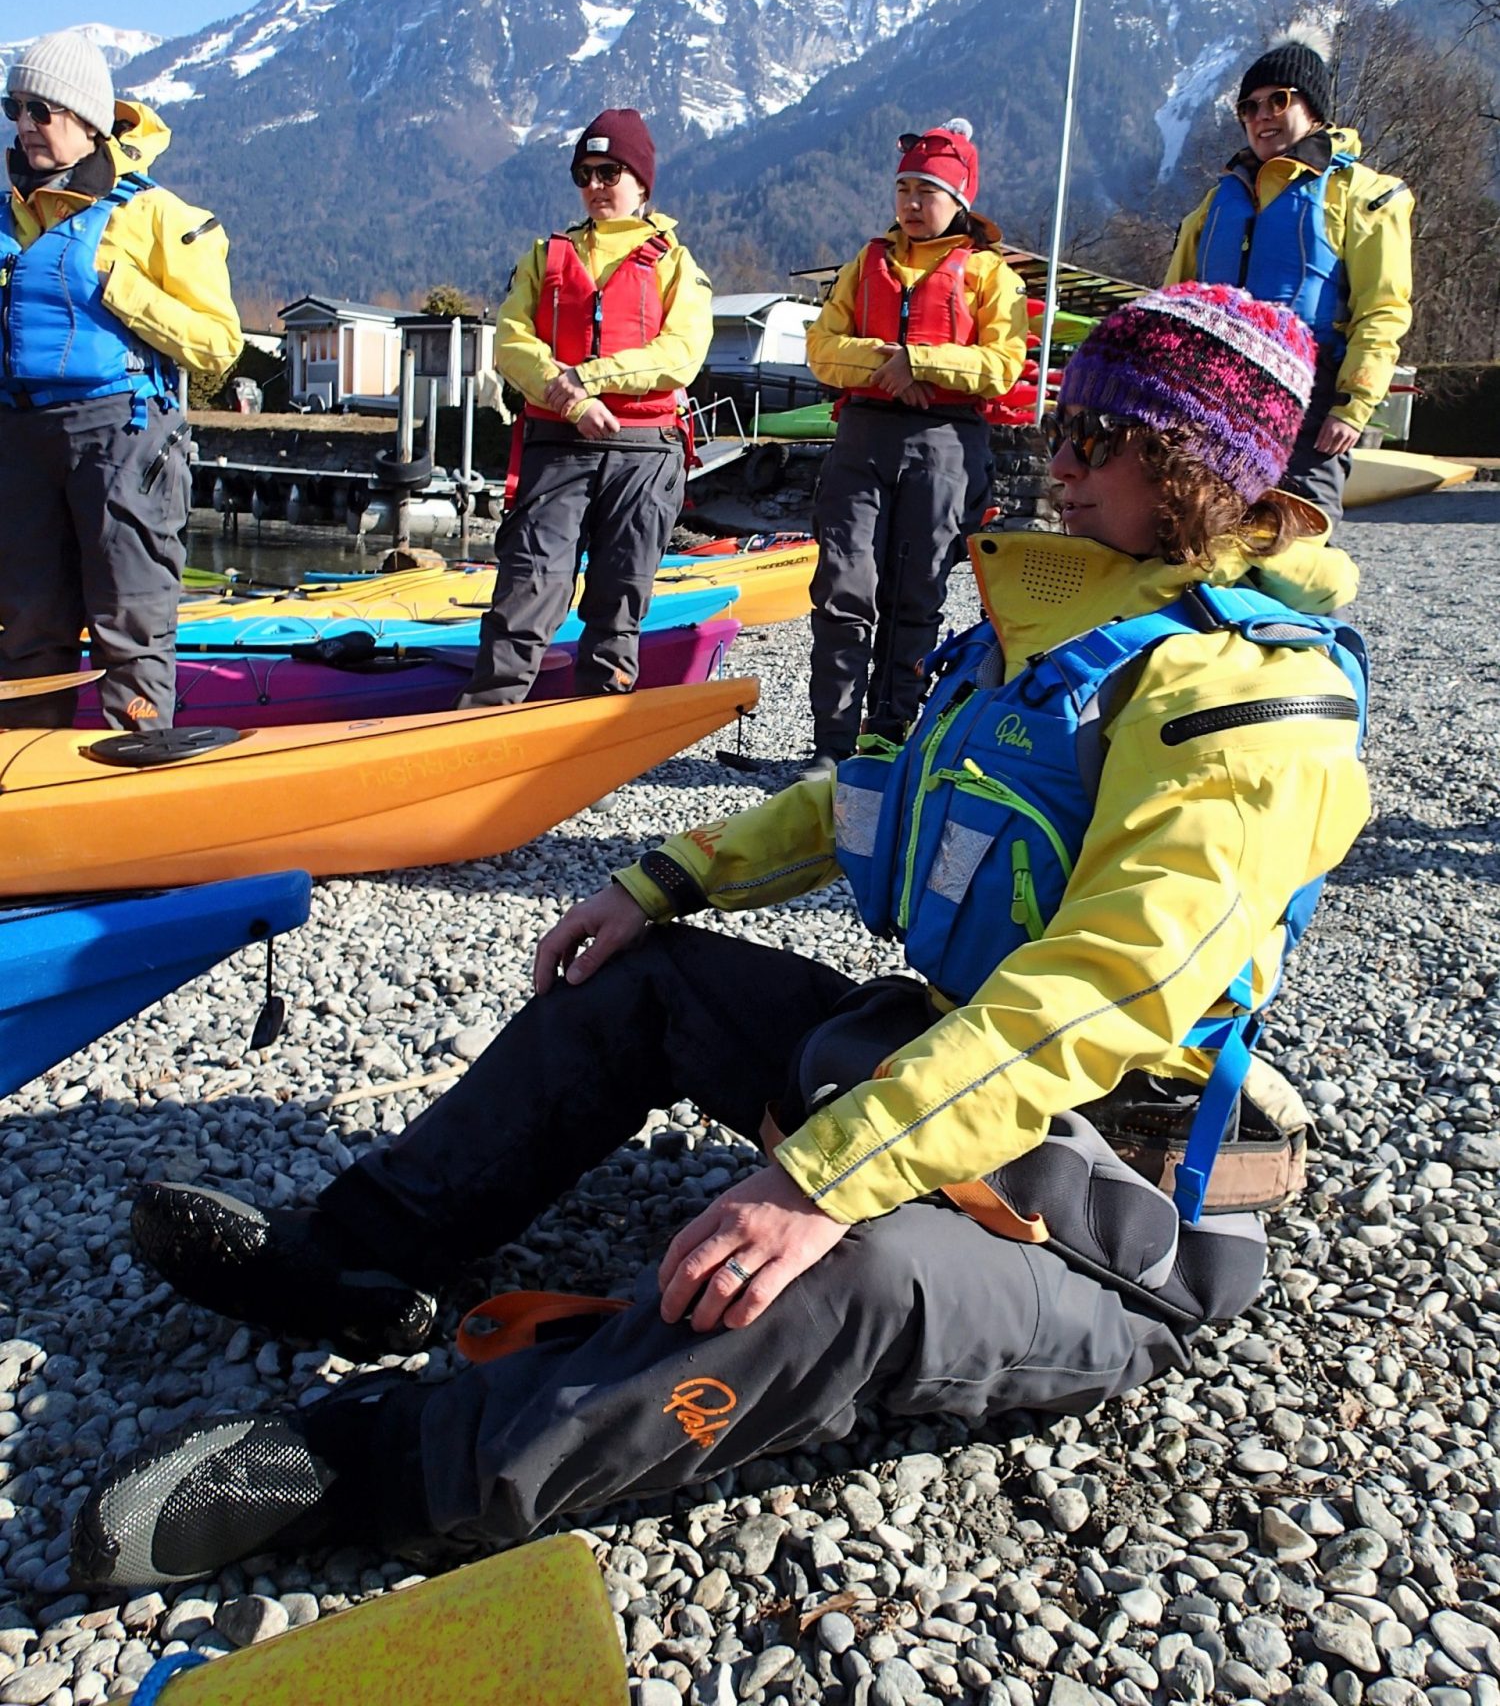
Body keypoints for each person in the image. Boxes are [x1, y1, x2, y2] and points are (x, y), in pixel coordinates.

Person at [74, 284, 1370, 1592]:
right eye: (1069, 431)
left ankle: (383, 1466)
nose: (1065, 464)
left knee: (844, 1281)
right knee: (646, 983)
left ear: (1193, 475)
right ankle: (360, 1257)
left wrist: (822, 1177)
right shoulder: (1079, 632)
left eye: (1104, 444)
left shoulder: (1259, 705)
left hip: (1119, 1221)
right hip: (948, 1074)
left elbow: (1110, 989)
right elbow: (881, 791)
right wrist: (665, 883)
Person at [0, 33, 242, 729]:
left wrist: (119, 287)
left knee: (129, 619)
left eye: (40, 110)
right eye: (14, 108)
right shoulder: (6, 218)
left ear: (86, 121)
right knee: (23, 626)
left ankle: (133, 764)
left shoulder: (157, 216)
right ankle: (24, 775)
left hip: (122, 439)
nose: (23, 124)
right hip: (18, 439)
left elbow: (219, 344)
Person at [458, 110, 712, 705]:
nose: (596, 186)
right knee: (526, 590)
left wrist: (590, 378)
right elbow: (511, 342)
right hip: (558, 443)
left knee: (618, 599)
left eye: (610, 172)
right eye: (585, 174)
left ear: (642, 182)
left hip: (645, 453)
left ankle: (594, 735)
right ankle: (485, 725)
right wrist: (569, 398)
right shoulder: (545, 257)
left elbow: (682, 353)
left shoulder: (676, 262)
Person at [801, 119, 1029, 776]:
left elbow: (1003, 365)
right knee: (844, 585)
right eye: (902, 187)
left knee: (916, 591)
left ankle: (889, 733)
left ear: (958, 198)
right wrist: (887, 363)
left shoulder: (989, 274)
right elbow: (822, 350)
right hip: (863, 439)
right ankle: (832, 741)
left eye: (924, 189)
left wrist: (921, 363)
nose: (909, 202)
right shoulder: (864, 264)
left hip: (945, 445)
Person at [1166, 38, 1413, 522]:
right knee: (1201, 548)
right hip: (1213, 403)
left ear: (1313, 109)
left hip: (1310, 404)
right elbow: (1173, 309)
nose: (1262, 115)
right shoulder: (1214, 205)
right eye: (1248, 107)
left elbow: (1382, 309)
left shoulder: (1366, 195)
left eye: (1278, 100)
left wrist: (1352, 405)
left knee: (1296, 557)